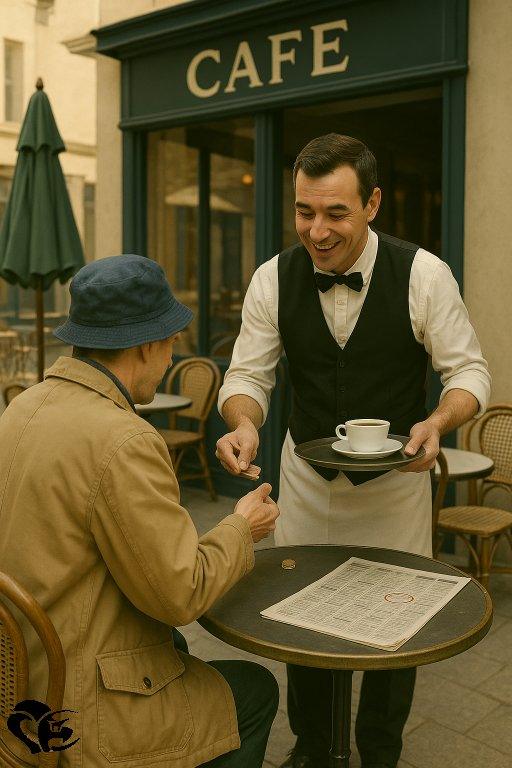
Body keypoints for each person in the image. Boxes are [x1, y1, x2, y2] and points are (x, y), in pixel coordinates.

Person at [215, 134, 491, 768]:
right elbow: (247, 379)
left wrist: (438, 421)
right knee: (301, 623)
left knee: (397, 633)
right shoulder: (270, 278)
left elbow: (470, 373)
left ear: (373, 204)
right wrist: (245, 425)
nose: (317, 230)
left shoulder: (424, 275)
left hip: (395, 489)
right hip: (307, 484)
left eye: (335, 213)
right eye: (305, 211)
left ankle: (379, 754)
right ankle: (313, 746)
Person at [0, 254, 280, 768]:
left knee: (174, 648)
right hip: (74, 707)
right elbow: (180, 593)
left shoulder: (23, 406)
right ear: (149, 343)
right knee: (255, 689)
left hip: (15, 680)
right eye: (172, 341)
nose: (172, 356)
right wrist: (242, 527)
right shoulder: (123, 438)